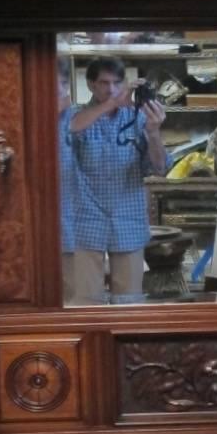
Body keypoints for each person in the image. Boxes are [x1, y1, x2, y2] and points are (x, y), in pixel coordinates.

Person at [60, 57, 168, 302]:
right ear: (90, 85)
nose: (111, 90)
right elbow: (69, 129)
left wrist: (153, 132)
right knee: (85, 303)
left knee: (129, 303)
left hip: (127, 222)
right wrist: (111, 104)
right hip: (85, 223)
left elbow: (160, 168)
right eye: (104, 83)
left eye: (117, 83)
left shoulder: (138, 118)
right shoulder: (76, 115)